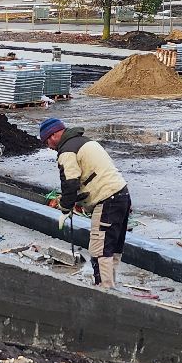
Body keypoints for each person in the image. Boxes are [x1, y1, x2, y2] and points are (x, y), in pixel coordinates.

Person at [39, 117, 131, 288]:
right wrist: (80, 199)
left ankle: (104, 291)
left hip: (107, 200)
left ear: (52, 136)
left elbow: (70, 182)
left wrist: (65, 206)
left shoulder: (67, 151)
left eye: (46, 143)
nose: (49, 148)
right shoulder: (84, 141)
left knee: (99, 249)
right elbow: (91, 175)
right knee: (113, 246)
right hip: (121, 194)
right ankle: (110, 285)